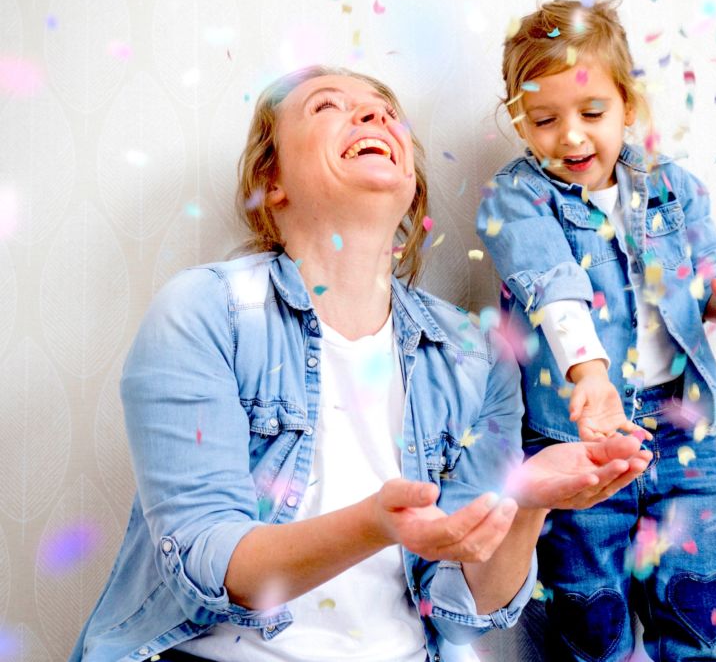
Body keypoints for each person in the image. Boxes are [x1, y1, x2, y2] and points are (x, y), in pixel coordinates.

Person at [70, 65, 652, 662]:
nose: (374, 116)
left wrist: (525, 501)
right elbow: (205, 561)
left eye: (383, 109)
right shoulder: (205, 311)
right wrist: (378, 522)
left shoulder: (475, 356)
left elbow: (461, 611)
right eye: (327, 107)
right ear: (272, 180)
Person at [476, 0, 716, 660]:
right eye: (544, 120)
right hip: (579, 436)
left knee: (698, 609)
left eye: (592, 114)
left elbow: (706, 275)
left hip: (683, 434)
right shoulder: (517, 198)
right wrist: (591, 374)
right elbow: (553, 286)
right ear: (519, 118)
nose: (571, 137)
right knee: (587, 620)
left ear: (627, 106)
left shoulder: (671, 187)